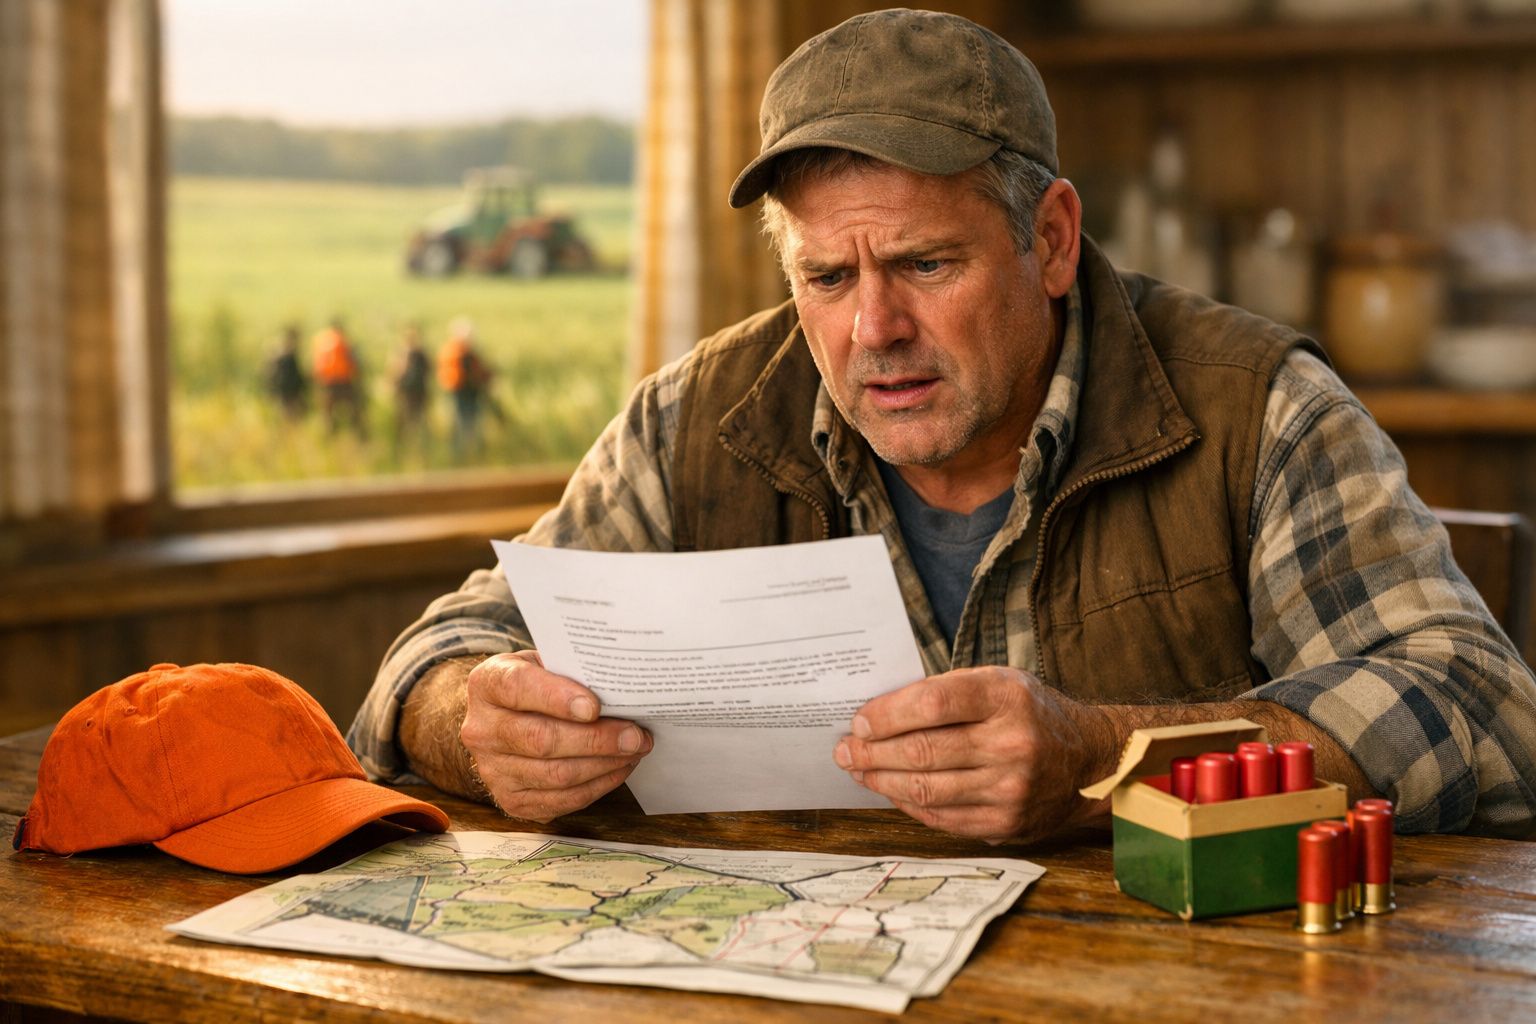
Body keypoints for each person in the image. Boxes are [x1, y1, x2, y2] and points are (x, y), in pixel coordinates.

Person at [349, 9, 1536, 843]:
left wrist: (1106, 759)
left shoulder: (1255, 405)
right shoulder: (696, 416)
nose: (874, 329)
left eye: (926, 263)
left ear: (1052, 241)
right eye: (826, 277)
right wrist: (472, 714)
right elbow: (426, 666)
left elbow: (1485, 713)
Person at [436, 317, 495, 460]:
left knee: (471, 422)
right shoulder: (455, 351)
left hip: (470, 392)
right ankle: (460, 454)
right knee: (460, 422)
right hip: (459, 391)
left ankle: (472, 453)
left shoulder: (464, 352)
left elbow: (480, 371)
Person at [312, 317, 367, 438]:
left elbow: (316, 366)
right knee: (356, 413)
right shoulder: (344, 340)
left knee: (327, 416)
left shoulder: (321, 341)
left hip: (327, 384)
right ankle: (359, 437)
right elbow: (354, 362)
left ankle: (328, 439)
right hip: (345, 383)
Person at [390, 323, 431, 452]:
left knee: (405, 421)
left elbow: (394, 373)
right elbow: (429, 371)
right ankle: (415, 448)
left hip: (408, 393)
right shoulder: (421, 353)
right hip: (416, 393)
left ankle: (404, 448)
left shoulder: (400, 353)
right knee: (414, 421)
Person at [264, 324, 308, 422]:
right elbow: (293, 374)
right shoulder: (289, 354)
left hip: (281, 389)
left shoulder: (277, 352)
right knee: (291, 414)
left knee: (285, 413)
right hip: (289, 390)